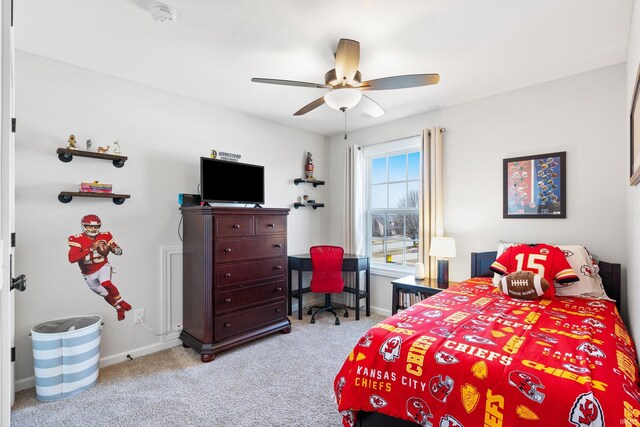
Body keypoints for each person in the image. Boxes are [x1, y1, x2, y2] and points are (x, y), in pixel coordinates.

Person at [68, 214, 132, 320]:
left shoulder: (105, 235)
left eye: (96, 226)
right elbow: (72, 259)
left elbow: (119, 251)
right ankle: (118, 309)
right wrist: (91, 249)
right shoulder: (77, 239)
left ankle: (121, 302)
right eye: (90, 226)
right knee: (105, 293)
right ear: (84, 226)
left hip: (103, 266)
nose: (93, 229)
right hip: (88, 273)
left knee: (105, 283)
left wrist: (113, 249)